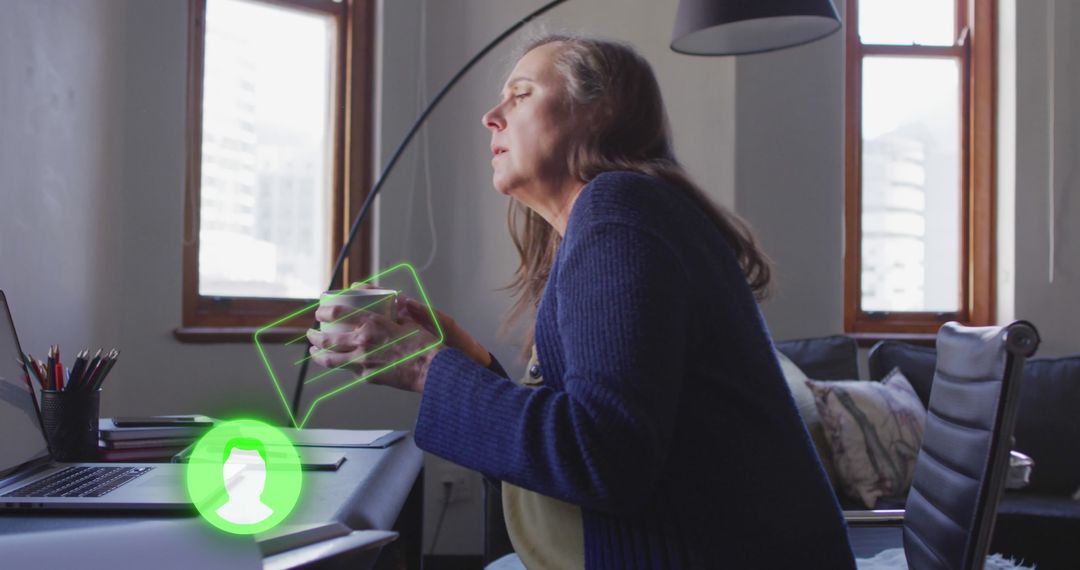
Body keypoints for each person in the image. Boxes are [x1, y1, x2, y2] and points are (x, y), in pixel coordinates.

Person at [306, 35, 855, 569]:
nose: (491, 116)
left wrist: (426, 367)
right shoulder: (616, 217)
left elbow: (604, 456)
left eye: (521, 94)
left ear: (601, 110)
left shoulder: (619, 208)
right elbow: (593, 438)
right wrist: (468, 361)